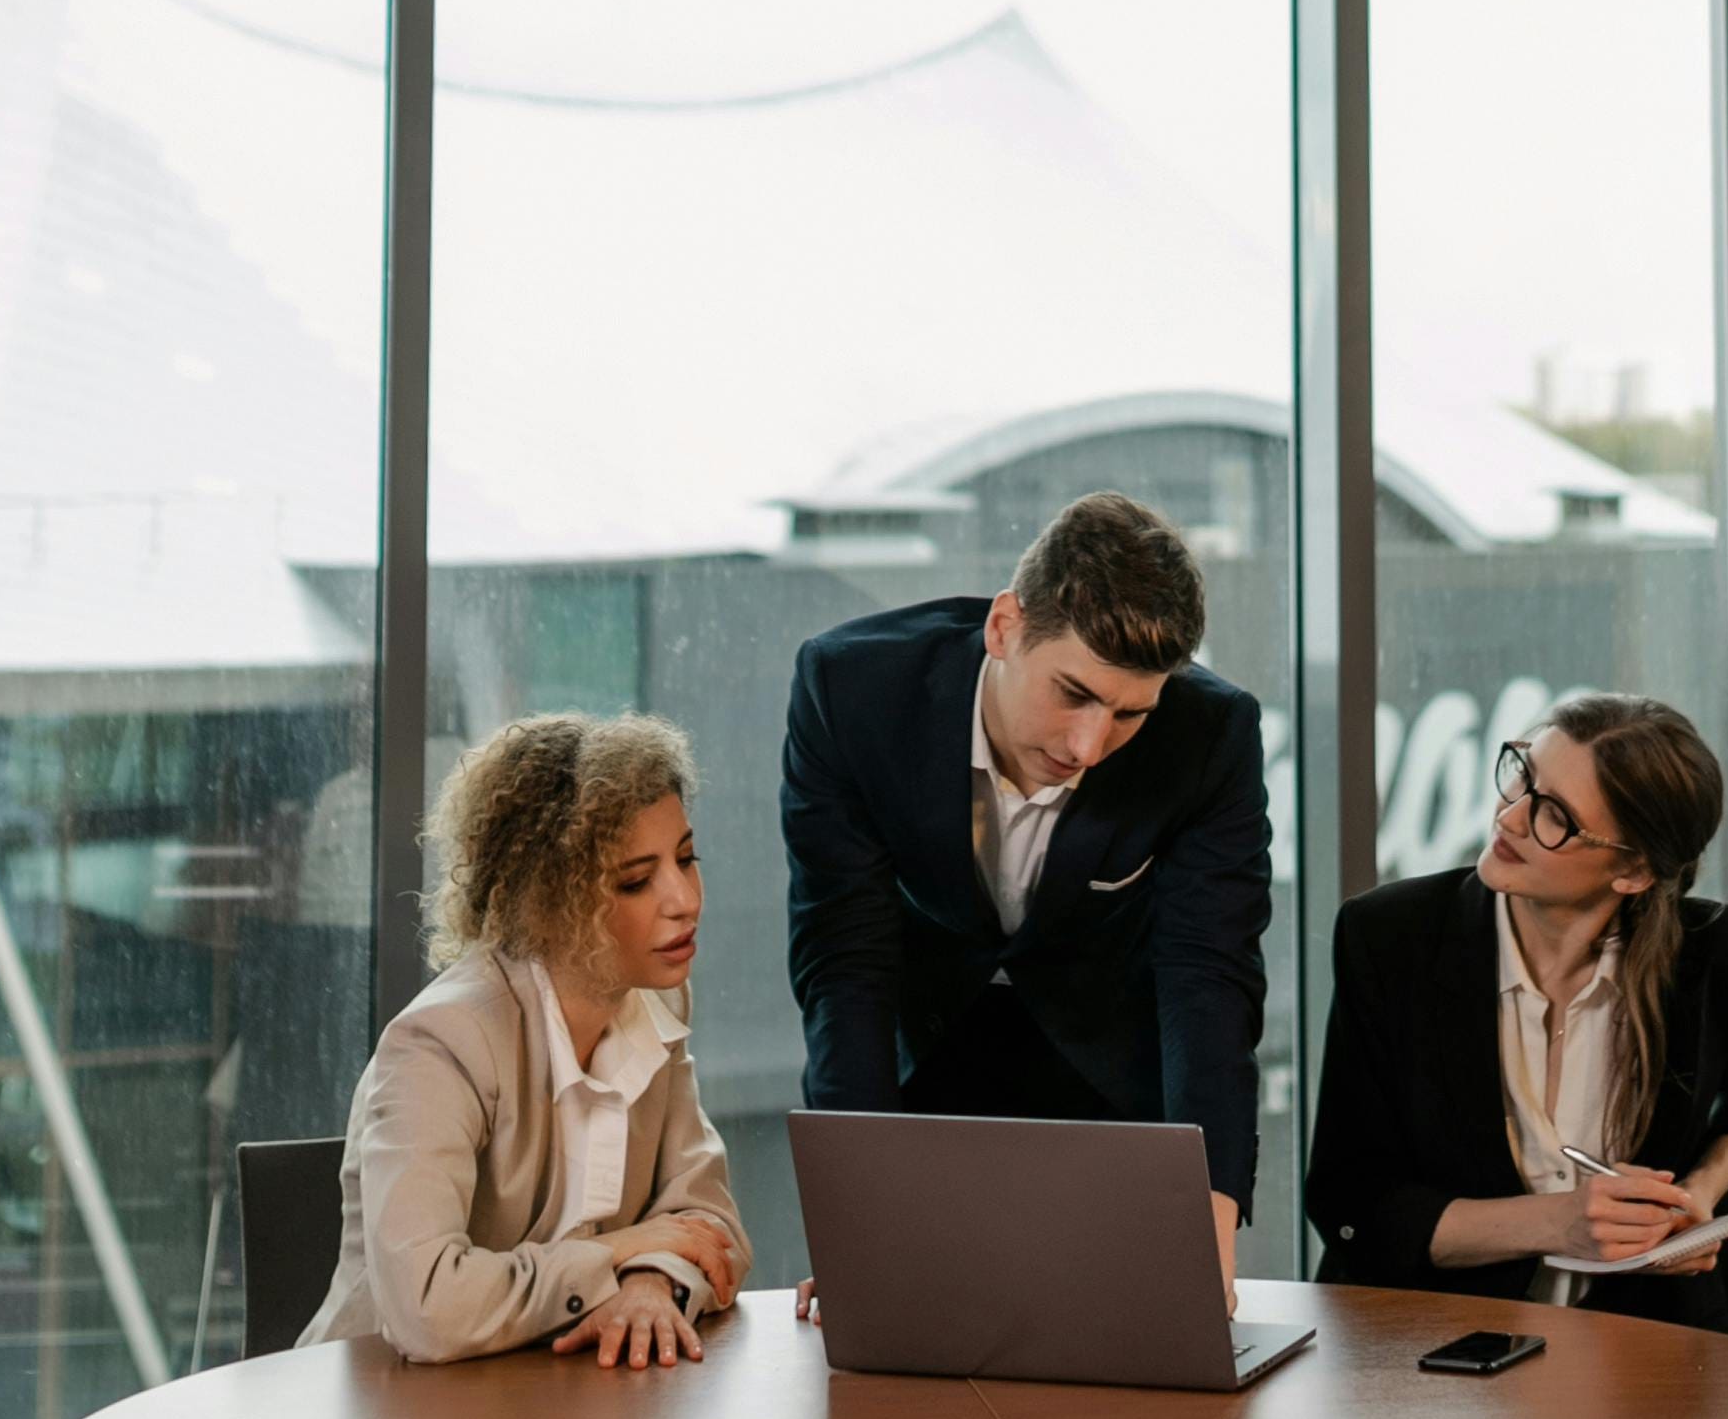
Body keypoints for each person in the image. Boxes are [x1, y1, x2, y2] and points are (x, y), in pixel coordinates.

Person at [782, 489, 1269, 1286]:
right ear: (1004, 627)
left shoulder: (1211, 736)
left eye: (1128, 715)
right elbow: (844, 961)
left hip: (1113, 1070)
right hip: (927, 1051)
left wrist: (1209, 1219)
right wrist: (854, 1219)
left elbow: (1209, 977)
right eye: (1073, 694)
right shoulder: (851, 690)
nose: (1089, 745)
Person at [1304, 693, 1728, 1327]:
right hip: (1432, 1354)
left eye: (1555, 817)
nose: (1510, 817)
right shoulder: (1390, 936)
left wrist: (1696, 1195)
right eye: (1522, 776)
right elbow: (1352, 1204)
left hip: (1644, 1357)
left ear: (1631, 871)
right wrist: (1560, 1224)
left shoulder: (1712, 953)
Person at [305, 710, 750, 1367]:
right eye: (636, 880)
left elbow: (709, 1225)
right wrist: (616, 1252)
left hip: (554, 1408)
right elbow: (430, 1309)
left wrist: (649, 1282)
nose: (684, 898)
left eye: (686, 859)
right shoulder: (439, 1043)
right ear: (549, 898)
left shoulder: (653, 999)